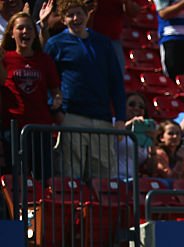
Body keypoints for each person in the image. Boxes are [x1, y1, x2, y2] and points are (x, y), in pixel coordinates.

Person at [45, 0, 126, 180]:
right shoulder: (55, 44)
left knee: (103, 178)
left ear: (87, 14)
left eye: (79, 13)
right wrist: (57, 112)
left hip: (102, 120)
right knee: (71, 175)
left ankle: (100, 210)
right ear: (63, 20)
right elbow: (47, 81)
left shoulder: (103, 43)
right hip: (72, 117)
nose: (76, 18)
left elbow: (116, 82)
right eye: (70, 15)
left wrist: (120, 116)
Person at [2, 12, 61, 180]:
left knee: (43, 180)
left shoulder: (44, 60)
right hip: (14, 128)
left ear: (35, 34)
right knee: (18, 180)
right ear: (12, 33)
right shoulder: (5, 59)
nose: (25, 31)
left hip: (40, 128)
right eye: (20, 28)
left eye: (29, 28)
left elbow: (55, 90)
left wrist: (57, 99)